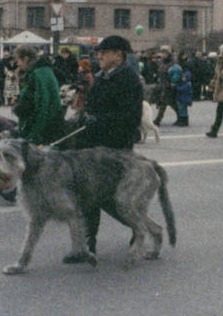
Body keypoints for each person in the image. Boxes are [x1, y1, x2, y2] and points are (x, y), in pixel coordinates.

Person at [73, 34, 144, 255]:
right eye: (98, 53)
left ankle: (138, 226)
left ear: (118, 55)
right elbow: (94, 106)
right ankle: (87, 244)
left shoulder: (129, 79)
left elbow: (130, 117)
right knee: (89, 194)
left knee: (105, 196)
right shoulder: (101, 77)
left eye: (104, 53)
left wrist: (99, 120)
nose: (99, 56)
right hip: (94, 146)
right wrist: (85, 117)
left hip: (116, 147)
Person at [12, 45, 62, 145]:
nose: (17, 64)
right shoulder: (41, 71)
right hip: (46, 127)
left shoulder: (39, 73)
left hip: (42, 131)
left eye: (18, 60)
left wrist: (34, 135)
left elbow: (43, 105)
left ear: (26, 59)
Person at [152, 50, 179, 126]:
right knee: (172, 103)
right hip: (162, 85)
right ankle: (181, 117)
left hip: (168, 85)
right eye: (162, 53)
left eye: (164, 53)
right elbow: (159, 72)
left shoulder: (172, 63)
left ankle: (158, 120)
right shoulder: (162, 63)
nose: (163, 55)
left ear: (168, 54)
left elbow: (174, 73)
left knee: (164, 103)